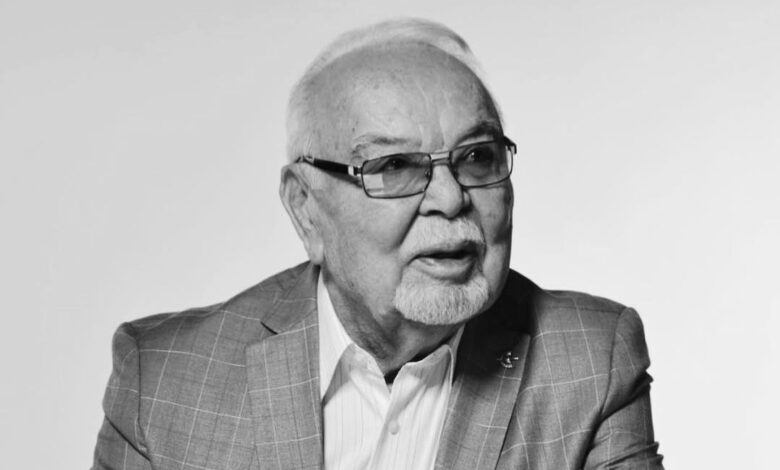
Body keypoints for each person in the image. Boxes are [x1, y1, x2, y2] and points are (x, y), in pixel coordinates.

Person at [92, 18, 663, 470]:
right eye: (394, 167)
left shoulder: (590, 361)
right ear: (305, 208)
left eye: (476, 157)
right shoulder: (162, 380)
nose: (450, 198)